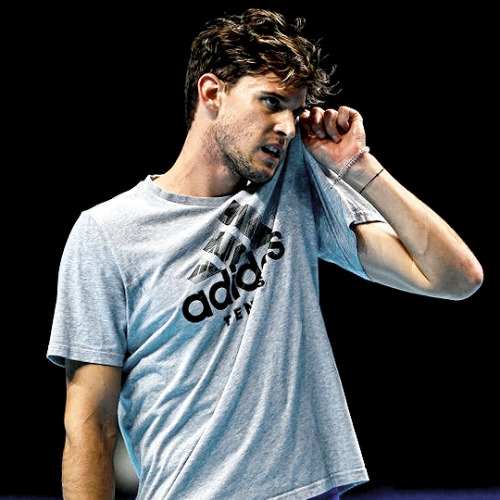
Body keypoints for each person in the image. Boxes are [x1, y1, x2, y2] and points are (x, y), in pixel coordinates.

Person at [47, 8, 483, 500]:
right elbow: (90, 424)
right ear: (212, 93)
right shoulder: (106, 233)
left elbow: (455, 277)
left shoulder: (292, 185)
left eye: (295, 111)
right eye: (270, 102)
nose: (288, 127)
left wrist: (358, 166)